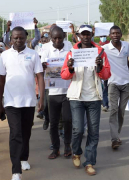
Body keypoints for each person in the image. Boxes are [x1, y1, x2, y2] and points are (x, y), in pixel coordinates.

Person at [61, 25, 111, 176]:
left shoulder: (100, 52)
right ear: (78, 36)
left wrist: (101, 66)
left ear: (92, 35)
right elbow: (64, 75)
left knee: (93, 131)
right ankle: (76, 152)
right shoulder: (71, 53)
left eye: (88, 34)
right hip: (77, 97)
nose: (86, 37)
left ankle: (89, 162)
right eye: (83, 34)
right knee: (78, 129)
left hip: (94, 97)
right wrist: (70, 69)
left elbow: (107, 75)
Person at [0, 26, 44, 180]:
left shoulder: (33, 54)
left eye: (21, 37)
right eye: (15, 38)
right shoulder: (4, 55)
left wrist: (41, 98)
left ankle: (24, 158)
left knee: (26, 133)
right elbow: (1, 80)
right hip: (11, 102)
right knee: (15, 134)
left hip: (29, 101)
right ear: (11, 39)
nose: (18, 40)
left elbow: (40, 77)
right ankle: (16, 170)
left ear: (26, 38)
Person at [41, 26, 72, 159]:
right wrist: (44, 67)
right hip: (53, 92)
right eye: (55, 38)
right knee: (53, 122)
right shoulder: (46, 50)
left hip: (68, 91)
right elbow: (42, 68)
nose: (58, 40)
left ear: (64, 37)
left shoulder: (69, 49)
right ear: (51, 38)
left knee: (68, 120)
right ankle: (55, 148)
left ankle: (67, 146)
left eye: (60, 37)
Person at [102, 26, 129, 149]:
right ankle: (114, 139)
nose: (115, 35)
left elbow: (127, 61)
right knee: (113, 110)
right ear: (110, 35)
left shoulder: (126, 45)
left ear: (121, 34)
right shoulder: (104, 49)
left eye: (117, 33)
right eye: (113, 33)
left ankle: (117, 134)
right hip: (113, 83)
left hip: (126, 83)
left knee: (121, 111)